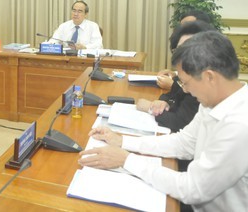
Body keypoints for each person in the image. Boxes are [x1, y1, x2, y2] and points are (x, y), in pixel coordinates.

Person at [79, 31, 248, 211]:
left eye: (185, 83)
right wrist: (122, 141)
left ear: (209, 77)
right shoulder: (212, 102)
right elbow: (184, 143)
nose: (185, 91)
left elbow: (192, 188)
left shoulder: (239, 124)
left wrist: (126, 160)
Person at [135, 21, 214, 133]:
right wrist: (164, 103)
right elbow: (171, 95)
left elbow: (180, 123)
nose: (181, 55)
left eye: (186, 50)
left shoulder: (202, 85)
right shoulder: (185, 75)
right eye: (178, 50)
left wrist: (150, 108)